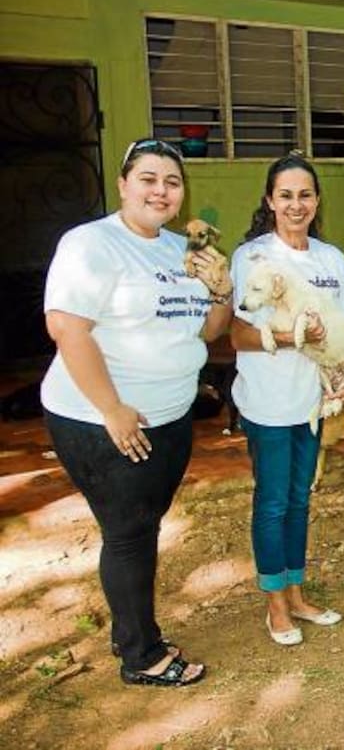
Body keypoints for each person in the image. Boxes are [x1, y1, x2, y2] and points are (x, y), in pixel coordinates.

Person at [41, 137, 233, 686]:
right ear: (124, 184)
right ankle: (141, 655)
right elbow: (67, 329)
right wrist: (113, 409)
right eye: (148, 178)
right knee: (128, 531)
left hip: (171, 417)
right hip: (103, 420)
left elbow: (210, 332)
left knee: (143, 527)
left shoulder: (179, 250)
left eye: (171, 182)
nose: (161, 190)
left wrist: (220, 292)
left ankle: (130, 625)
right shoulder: (90, 244)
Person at [230, 153, 344, 646]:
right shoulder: (253, 258)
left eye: (305, 195)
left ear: (316, 201)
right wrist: (295, 338)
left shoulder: (329, 258)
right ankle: (275, 605)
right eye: (285, 195)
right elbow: (238, 336)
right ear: (270, 200)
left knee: (298, 499)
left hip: (314, 402)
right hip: (268, 402)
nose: (296, 204)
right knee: (272, 502)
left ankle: (295, 592)